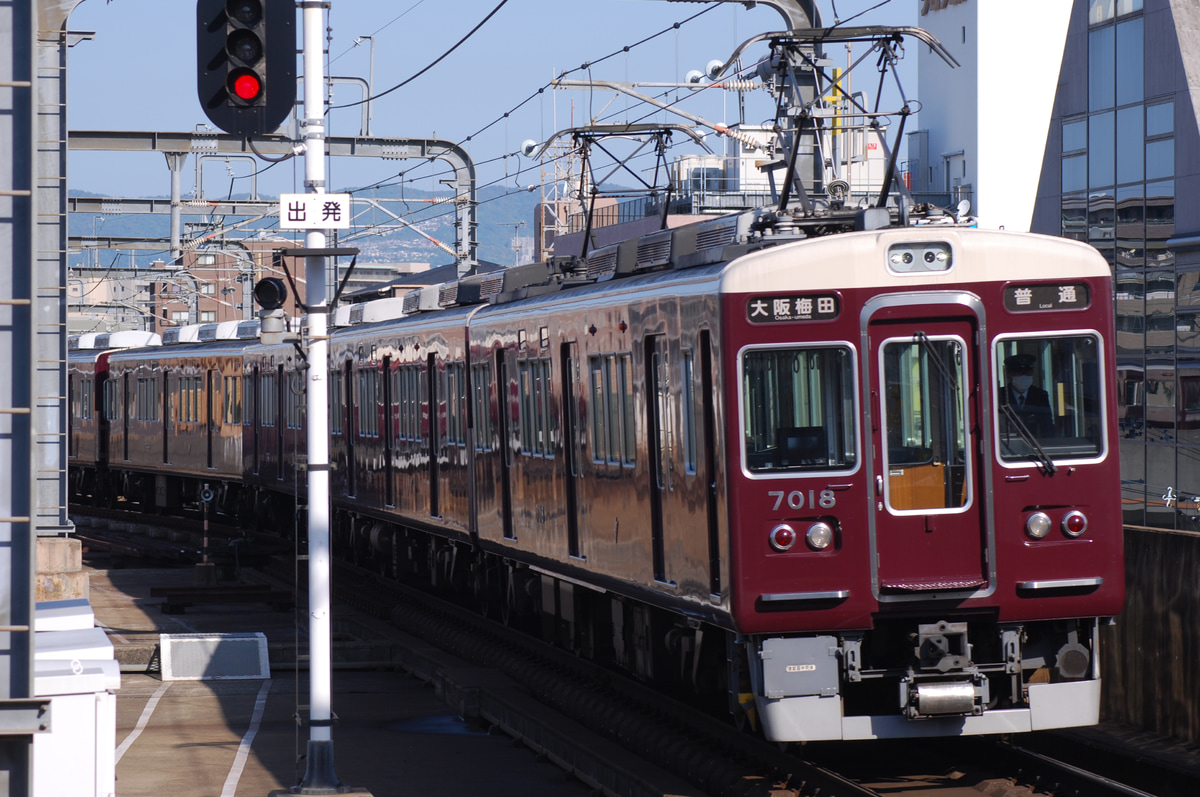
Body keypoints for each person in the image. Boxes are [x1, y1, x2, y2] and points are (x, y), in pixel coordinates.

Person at [1001, 352, 1053, 435]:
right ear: (1009, 375)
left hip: (1034, 446)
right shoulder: (1000, 396)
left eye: (1028, 371)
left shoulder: (1040, 396)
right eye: (1019, 372)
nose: (1024, 375)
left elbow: (1047, 428)